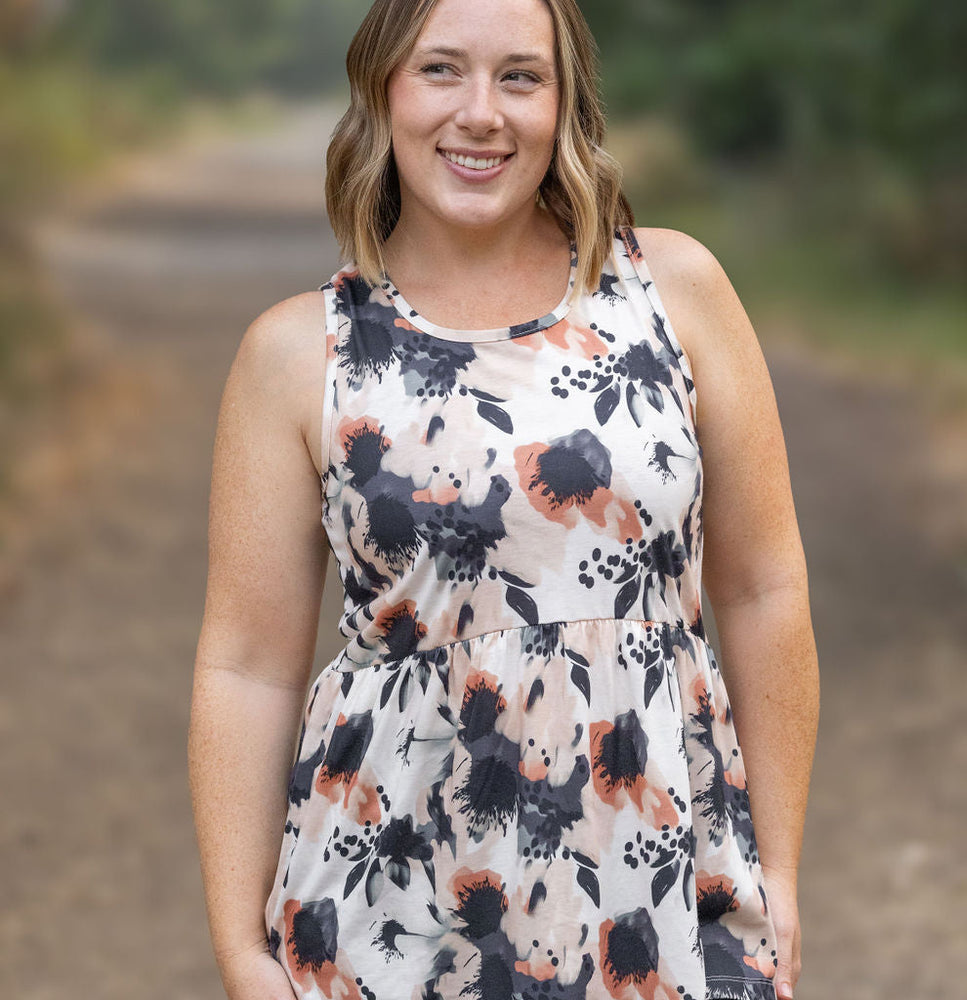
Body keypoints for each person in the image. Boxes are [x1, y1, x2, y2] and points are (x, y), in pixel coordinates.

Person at [188, 0, 820, 998]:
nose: (480, 112)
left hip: (659, 902)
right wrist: (238, 949)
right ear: (383, 91)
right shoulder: (297, 353)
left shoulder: (674, 292)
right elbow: (247, 665)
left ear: (564, 104)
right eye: (441, 70)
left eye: (519, 77)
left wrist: (775, 868)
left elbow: (763, 587)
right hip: (386, 918)